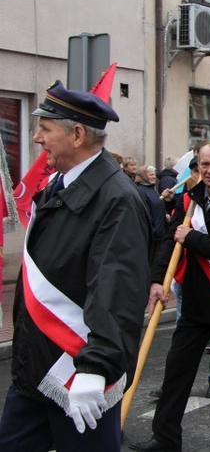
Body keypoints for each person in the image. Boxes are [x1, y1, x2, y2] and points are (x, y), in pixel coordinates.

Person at [0, 80, 151, 451]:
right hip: (36, 370)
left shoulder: (117, 200)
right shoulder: (58, 185)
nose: (37, 138)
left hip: (78, 375)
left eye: (46, 129)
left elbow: (116, 291)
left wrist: (96, 367)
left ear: (78, 134)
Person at [132, 141, 210, 452]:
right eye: (205, 165)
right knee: (176, 371)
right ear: (197, 166)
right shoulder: (188, 201)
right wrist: (157, 280)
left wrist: (194, 238)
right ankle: (165, 436)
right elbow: (168, 242)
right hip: (194, 303)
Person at [135, 165, 169, 265]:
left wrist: (166, 215)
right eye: (150, 175)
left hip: (160, 233)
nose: (154, 177)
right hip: (153, 236)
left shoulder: (152, 189)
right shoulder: (141, 191)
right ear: (143, 176)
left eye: (154, 174)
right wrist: (153, 229)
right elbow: (145, 213)